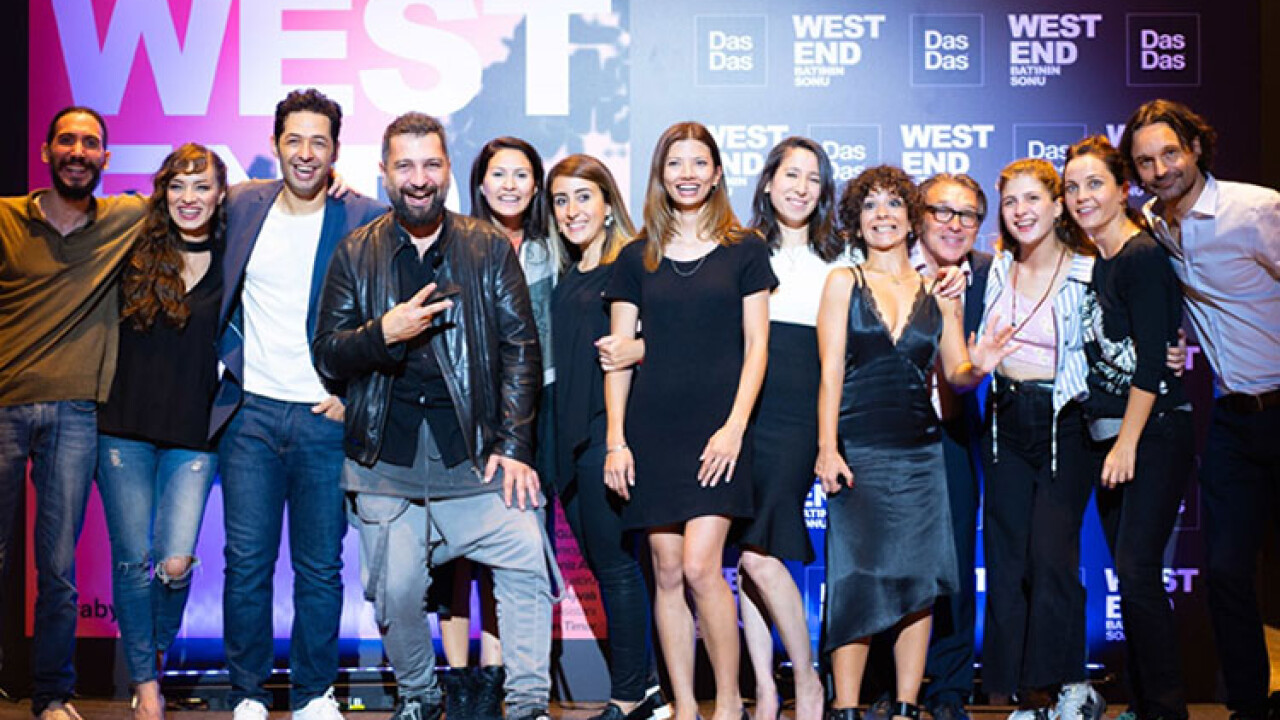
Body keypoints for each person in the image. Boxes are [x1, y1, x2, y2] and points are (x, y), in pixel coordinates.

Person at [312, 111, 555, 720]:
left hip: (473, 455)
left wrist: (515, 447)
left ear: (447, 169)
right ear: (384, 172)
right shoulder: (355, 252)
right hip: (385, 462)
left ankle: (528, 703)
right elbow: (328, 352)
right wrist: (383, 333)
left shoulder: (485, 247)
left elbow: (521, 349)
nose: (418, 178)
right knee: (394, 593)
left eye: (430, 164)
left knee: (527, 552)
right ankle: (421, 695)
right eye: (405, 166)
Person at [814, 165, 1014, 720]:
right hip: (858, 450)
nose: (882, 215)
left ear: (911, 219)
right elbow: (829, 373)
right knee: (855, 579)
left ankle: (905, 706)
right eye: (869, 205)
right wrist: (827, 448)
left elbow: (957, 374)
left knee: (918, 582)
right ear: (856, 220)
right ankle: (847, 707)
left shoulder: (940, 292)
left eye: (893, 204)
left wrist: (982, 365)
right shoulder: (843, 282)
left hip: (922, 455)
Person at [210, 88, 386, 720]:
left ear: (335, 150)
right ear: (274, 144)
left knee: (319, 568)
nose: (306, 153)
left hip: (322, 420)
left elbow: (387, 316)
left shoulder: (364, 215)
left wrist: (352, 395)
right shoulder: (241, 204)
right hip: (251, 416)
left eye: (319, 142)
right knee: (246, 564)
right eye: (294, 140)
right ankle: (247, 693)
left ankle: (314, 693)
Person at [603, 121, 776, 720]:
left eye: (699, 162)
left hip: (718, 431)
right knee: (667, 570)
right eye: (675, 163)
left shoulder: (745, 249)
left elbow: (757, 347)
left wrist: (734, 428)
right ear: (660, 174)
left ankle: (727, 703)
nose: (687, 174)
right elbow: (618, 357)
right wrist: (616, 440)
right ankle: (683, 705)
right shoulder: (635, 258)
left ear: (718, 173)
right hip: (652, 431)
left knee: (704, 567)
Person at [1120, 99, 1280, 720]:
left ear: (1195, 148)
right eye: (1146, 162)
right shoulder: (1154, 223)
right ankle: (1249, 705)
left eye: (1170, 153)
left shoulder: (1255, 209)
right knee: (1227, 570)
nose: (1161, 169)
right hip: (1233, 420)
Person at [0, 106, 146, 720]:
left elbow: (204, 191)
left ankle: (51, 696)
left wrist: (325, 180)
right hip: (3, 407)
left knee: (57, 568)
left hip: (75, 413)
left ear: (105, 158)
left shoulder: (124, 219)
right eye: (67, 140)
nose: (78, 152)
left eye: (90, 143)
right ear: (46, 152)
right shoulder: (6, 218)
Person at [96, 143, 228, 720]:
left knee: (175, 563)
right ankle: (147, 686)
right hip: (121, 426)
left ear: (221, 195)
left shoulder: (233, 256)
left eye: (202, 186)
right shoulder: (132, 247)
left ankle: (149, 651)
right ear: (163, 192)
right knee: (133, 561)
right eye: (177, 185)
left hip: (194, 433)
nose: (189, 198)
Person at [1062, 135, 1191, 720]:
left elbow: (1152, 363)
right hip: (1113, 437)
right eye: (1072, 187)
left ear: (1122, 189)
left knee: (1138, 573)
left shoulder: (1141, 256)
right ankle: (1143, 705)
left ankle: (1166, 710)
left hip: (1152, 435)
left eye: (1095, 183)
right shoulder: (1098, 260)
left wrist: (1127, 443)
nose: (1082, 196)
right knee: (1131, 576)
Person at [977, 158, 1103, 720]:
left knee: (1052, 556)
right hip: (1003, 421)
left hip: (1064, 424)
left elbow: (1120, 340)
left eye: (1033, 199)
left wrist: (1170, 352)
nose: (1021, 211)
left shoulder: (1089, 271)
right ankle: (1024, 693)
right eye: (1011, 201)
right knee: (1007, 561)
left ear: (1058, 206)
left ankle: (1068, 684)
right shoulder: (995, 269)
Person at [546, 153, 664, 720]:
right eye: (561, 200)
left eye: (583, 197)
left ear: (608, 203)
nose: (572, 211)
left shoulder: (632, 265)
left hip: (608, 433)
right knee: (605, 567)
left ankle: (629, 695)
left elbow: (684, 335)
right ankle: (649, 688)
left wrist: (638, 347)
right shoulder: (568, 274)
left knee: (616, 567)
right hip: (568, 438)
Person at [737, 136, 848, 720]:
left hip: (800, 406)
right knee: (746, 555)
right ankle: (764, 689)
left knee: (760, 553)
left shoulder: (842, 255)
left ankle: (807, 678)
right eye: (791, 175)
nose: (801, 188)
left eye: (813, 178)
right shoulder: (741, 247)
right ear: (768, 181)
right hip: (742, 407)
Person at [912, 174, 992, 720]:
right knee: (886, 563)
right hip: (888, 434)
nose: (953, 224)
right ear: (919, 216)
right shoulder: (886, 267)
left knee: (956, 563)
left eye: (966, 215)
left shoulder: (992, 274)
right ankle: (887, 684)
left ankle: (949, 687)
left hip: (956, 434)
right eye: (941, 210)